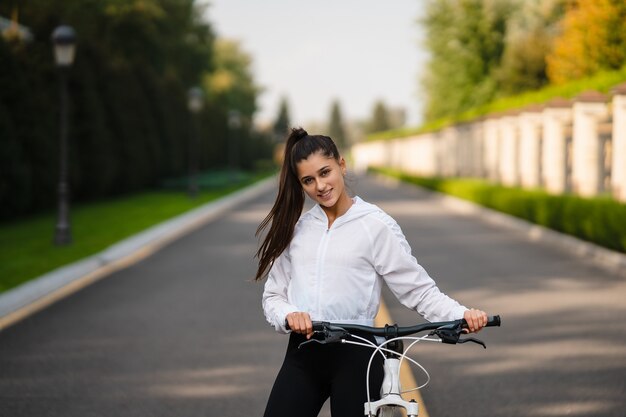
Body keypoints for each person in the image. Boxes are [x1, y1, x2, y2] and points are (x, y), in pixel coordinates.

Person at [255, 127, 488, 417]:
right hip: (304, 352)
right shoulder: (297, 230)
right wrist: (289, 315)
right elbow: (274, 296)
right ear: (301, 185)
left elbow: (418, 290)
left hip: (359, 356)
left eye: (325, 172)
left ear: (341, 164)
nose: (320, 186)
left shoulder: (375, 225)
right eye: (308, 180)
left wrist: (461, 314)